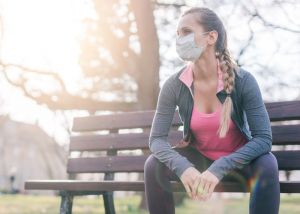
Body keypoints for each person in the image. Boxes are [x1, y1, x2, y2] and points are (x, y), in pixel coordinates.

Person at [144, 6, 280, 214]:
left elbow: (263, 139)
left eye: (187, 32)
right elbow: (156, 140)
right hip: (199, 158)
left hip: (238, 161)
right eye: (178, 33)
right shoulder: (174, 84)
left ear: (211, 37)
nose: (180, 39)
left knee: (268, 164)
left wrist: (219, 168)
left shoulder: (243, 81)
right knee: (153, 165)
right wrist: (184, 167)